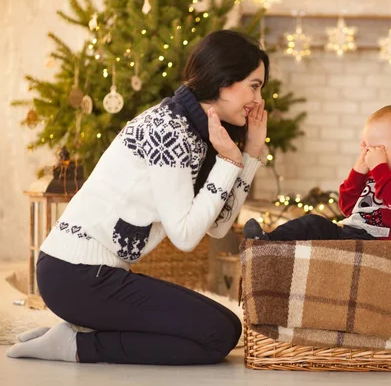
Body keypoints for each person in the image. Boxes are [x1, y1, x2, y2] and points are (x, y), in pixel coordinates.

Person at [7, 30, 269, 365]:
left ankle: (78, 334)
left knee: (227, 328)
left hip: (93, 275)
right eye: (254, 85)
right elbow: (185, 236)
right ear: (224, 82)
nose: (258, 100)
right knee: (216, 334)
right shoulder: (169, 129)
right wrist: (230, 161)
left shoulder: (194, 131)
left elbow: (217, 227)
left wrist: (249, 155)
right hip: (75, 275)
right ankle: (76, 346)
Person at [244, 105, 391, 241]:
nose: (372, 154)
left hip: (381, 243)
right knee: (313, 223)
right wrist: (359, 171)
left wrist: (379, 168)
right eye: (367, 147)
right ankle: (267, 241)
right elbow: (347, 207)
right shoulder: (373, 173)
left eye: (380, 148)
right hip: (351, 233)